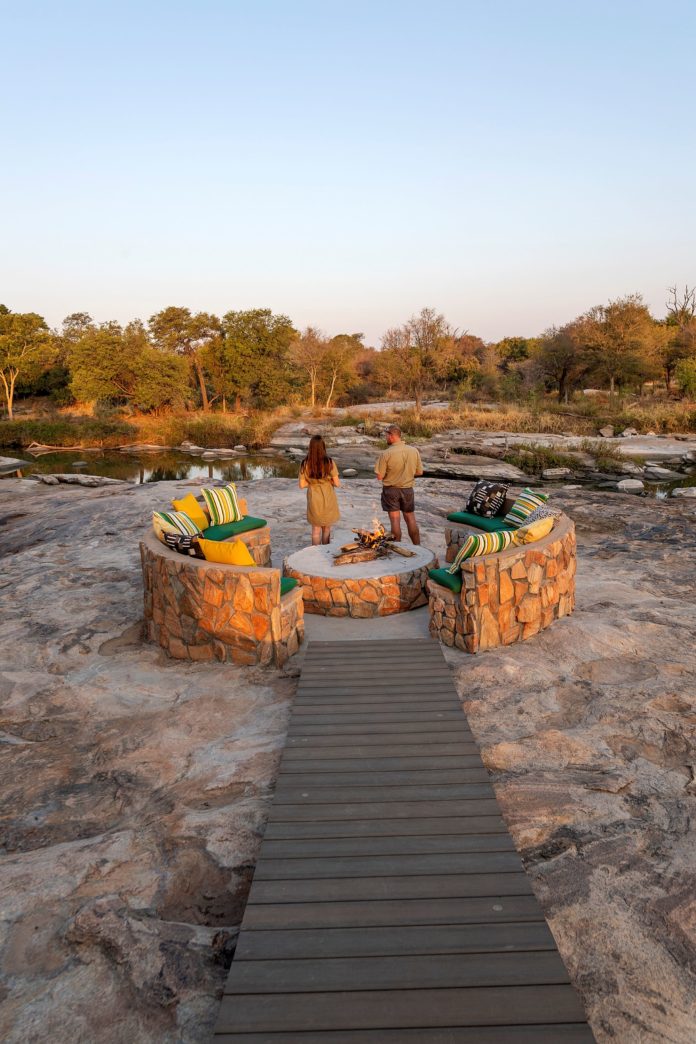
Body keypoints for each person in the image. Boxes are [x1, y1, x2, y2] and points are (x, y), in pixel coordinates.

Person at [375, 424, 423, 544]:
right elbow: (419, 472)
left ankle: (397, 547)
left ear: (391, 436)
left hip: (391, 491)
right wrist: (407, 474)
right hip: (407, 489)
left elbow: (380, 477)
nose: (385, 438)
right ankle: (418, 546)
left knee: (395, 520)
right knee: (410, 518)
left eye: (386, 435)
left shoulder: (386, 453)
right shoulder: (413, 451)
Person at [299, 434, 341, 545]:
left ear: (311, 447)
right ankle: (325, 551)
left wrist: (313, 482)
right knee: (326, 529)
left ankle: (314, 552)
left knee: (315, 530)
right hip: (328, 498)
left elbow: (302, 485)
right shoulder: (329, 462)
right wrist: (327, 481)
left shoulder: (305, 463)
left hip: (314, 499)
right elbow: (337, 483)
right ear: (323, 447)